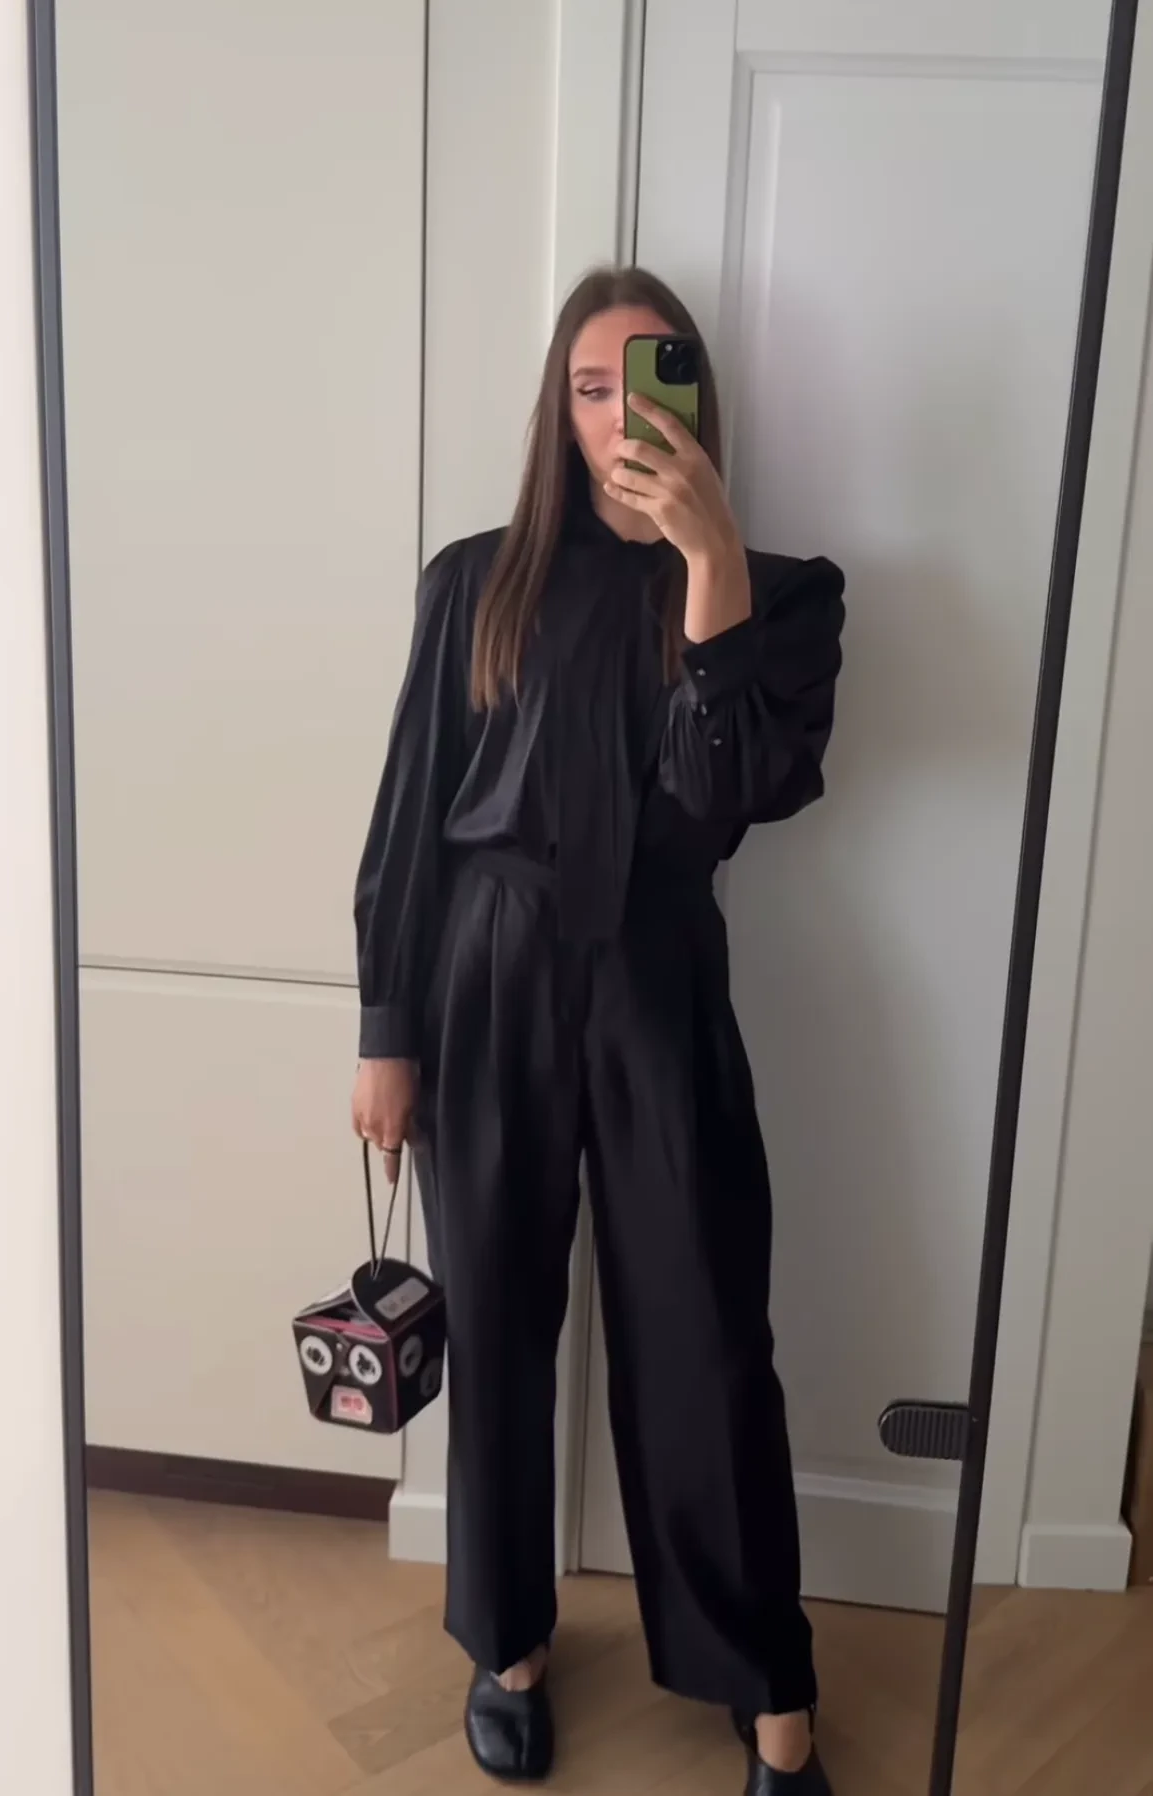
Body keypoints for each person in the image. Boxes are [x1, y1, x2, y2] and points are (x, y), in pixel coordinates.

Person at [351, 264, 845, 1796]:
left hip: (657, 975)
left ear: (696, 398)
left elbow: (726, 801)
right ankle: (504, 1642)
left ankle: (766, 1686)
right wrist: (386, 1027)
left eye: (650, 377)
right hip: (485, 977)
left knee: (706, 1338)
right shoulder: (474, 582)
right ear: (557, 415)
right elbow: (412, 818)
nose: (620, 413)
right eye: (588, 386)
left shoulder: (784, 595)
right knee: (496, 1324)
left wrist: (708, 571)